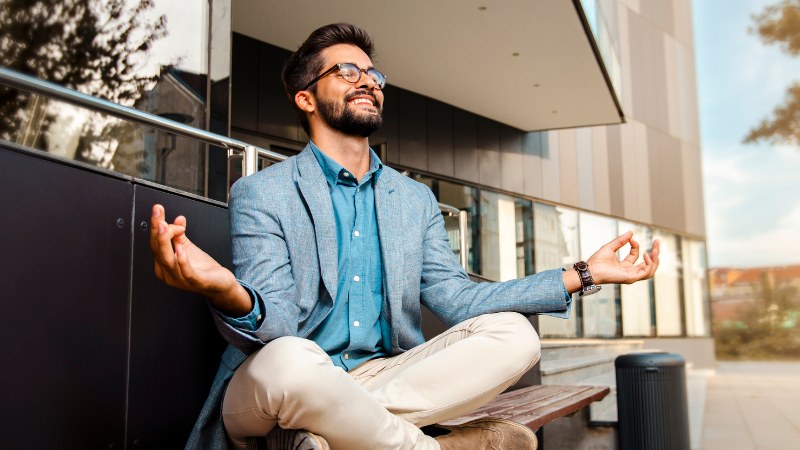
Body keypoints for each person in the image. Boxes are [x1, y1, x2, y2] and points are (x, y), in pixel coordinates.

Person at [150, 23, 660, 450]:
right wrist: (224, 289)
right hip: (279, 385)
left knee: (515, 335)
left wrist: (583, 273)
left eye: (373, 73)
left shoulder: (413, 200)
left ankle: (336, 433)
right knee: (292, 359)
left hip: (386, 378)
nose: (367, 80)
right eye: (346, 71)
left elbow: (458, 299)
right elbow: (277, 325)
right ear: (305, 98)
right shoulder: (263, 192)